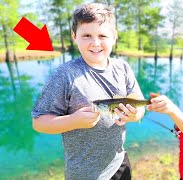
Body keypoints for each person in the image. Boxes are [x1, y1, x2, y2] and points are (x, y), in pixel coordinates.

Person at [31, 3, 145, 180]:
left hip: (119, 162)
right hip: (84, 173)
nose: (95, 43)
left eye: (102, 35)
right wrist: (72, 120)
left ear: (114, 37)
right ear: (74, 36)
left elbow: (139, 105)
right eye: (86, 35)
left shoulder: (123, 68)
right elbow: (39, 122)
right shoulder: (64, 75)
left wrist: (135, 115)